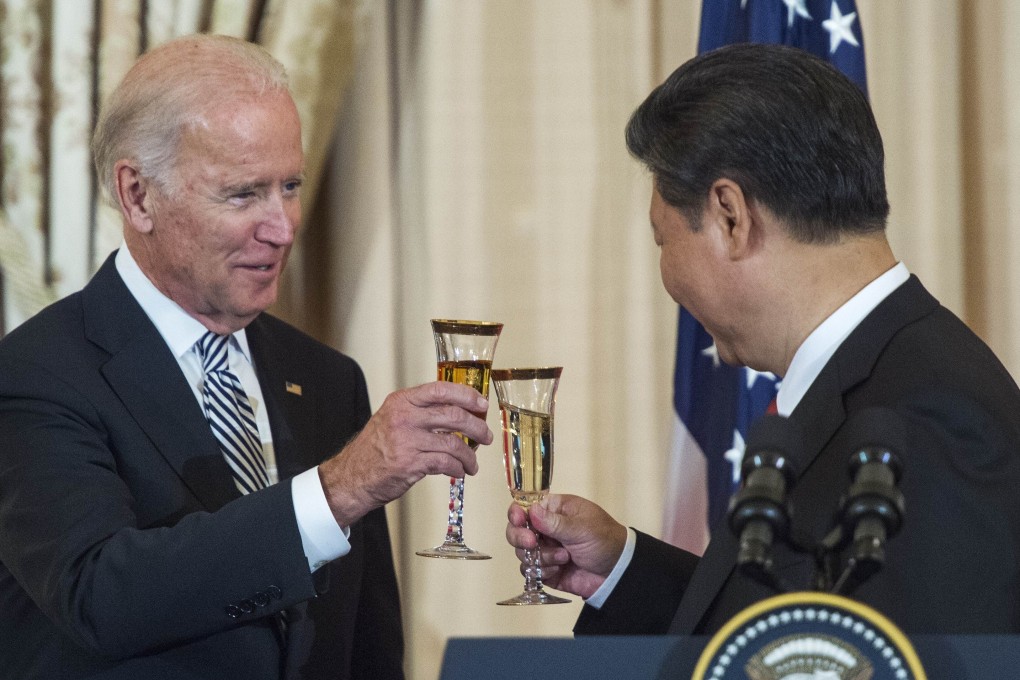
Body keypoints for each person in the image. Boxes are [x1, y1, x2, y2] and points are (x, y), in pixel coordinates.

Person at [0, 34, 492, 679]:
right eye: (242, 194)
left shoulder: (326, 378)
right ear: (138, 195)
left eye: (289, 186)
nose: (283, 226)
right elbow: (101, 597)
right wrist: (337, 490)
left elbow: (368, 646)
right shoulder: (38, 374)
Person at [506, 43, 1020, 636]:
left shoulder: (933, 422)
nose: (666, 274)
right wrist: (622, 568)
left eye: (662, 240)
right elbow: (795, 637)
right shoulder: (878, 372)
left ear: (730, 216)